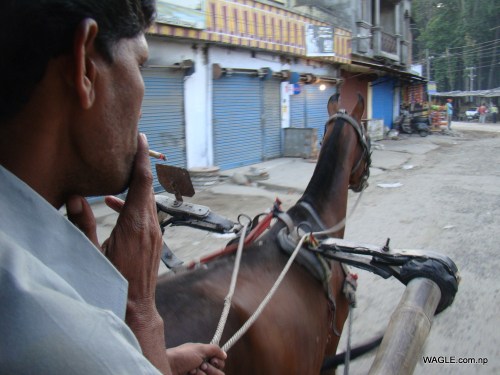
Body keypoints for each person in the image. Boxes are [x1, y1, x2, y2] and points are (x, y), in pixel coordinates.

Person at [0, 1, 226, 374]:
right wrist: (139, 310)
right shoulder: (61, 335)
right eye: (140, 65)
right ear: (85, 66)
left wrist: (154, 360)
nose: (143, 97)